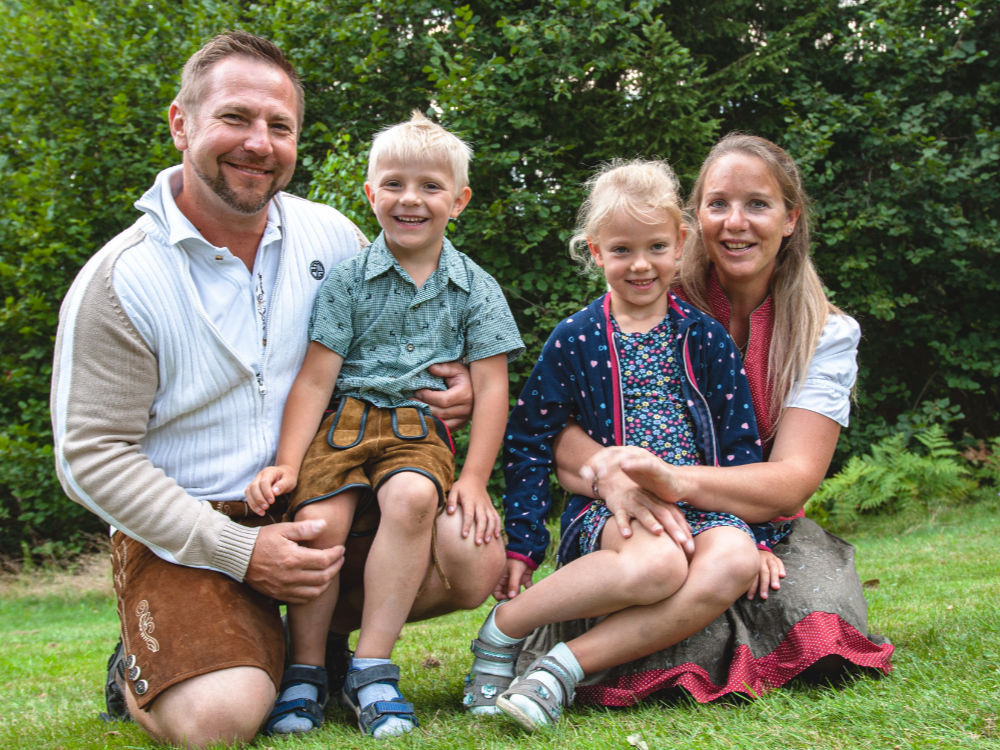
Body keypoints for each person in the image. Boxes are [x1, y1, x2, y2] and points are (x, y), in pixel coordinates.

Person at [50, 32, 495, 749]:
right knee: (221, 717)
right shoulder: (121, 279)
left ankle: (315, 658)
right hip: (187, 531)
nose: (259, 143)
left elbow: (388, 348)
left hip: (324, 493)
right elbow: (89, 458)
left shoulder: (337, 238)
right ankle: (158, 660)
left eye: (279, 126)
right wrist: (236, 549)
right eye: (235, 118)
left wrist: (454, 381)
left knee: (473, 556)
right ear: (180, 123)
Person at [526, 133, 894, 708]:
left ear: (790, 219)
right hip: (642, 513)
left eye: (758, 204)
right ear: (693, 221)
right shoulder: (655, 293)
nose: (735, 222)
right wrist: (608, 474)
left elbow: (793, 478)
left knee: (806, 604)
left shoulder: (825, 332)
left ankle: (587, 656)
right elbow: (556, 426)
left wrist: (691, 490)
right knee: (666, 582)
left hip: (757, 519)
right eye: (718, 203)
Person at [461, 159, 770, 731]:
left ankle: (559, 670)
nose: (641, 264)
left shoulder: (704, 337)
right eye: (622, 249)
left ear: (681, 244)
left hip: (698, 505)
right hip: (607, 509)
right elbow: (531, 437)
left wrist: (764, 537)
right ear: (596, 251)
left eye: (656, 246)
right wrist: (525, 543)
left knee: (734, 557)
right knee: (656, 565)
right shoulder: (574, 339)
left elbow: (738, 442)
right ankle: (506, 625)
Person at [245, 111, 523, 738]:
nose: (410, 199)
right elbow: (315, 379)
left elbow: (493, 388)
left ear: (459, 200)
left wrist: (475, 479)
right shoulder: (346, 280)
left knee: (415, 497)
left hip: (415, 429)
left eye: (430, 186)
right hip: (341, 426)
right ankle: (306, 669)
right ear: (371, 194)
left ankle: (372, 665)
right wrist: (288, 462)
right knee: (319, 522)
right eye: (393, 184)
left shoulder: (475, 288)